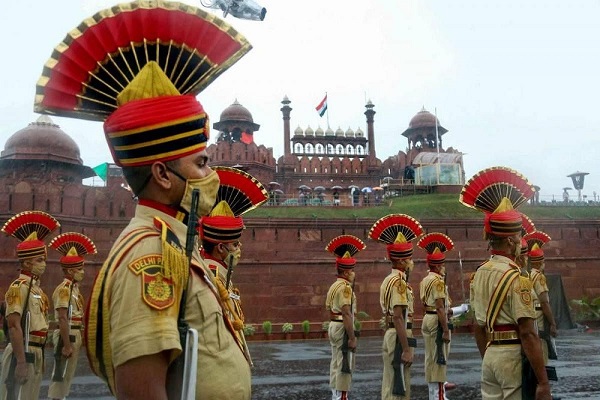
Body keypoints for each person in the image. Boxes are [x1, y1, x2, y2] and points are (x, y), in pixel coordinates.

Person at [35, 3, 254, 399]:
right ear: (161, 174)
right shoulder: (151, 257)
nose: (212, 176)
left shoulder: (175, 246)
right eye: (201, 163)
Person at [461, 166, 551, 400]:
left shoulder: (478, 273)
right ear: (511, 240)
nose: (522, 242)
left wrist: (490, 358)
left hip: (490, 355)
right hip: (512, 356)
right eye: (520, 238)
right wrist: (543, 382)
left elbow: (478, 326)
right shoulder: (518, 277)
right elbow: (528, 333)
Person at [198, 166, 268, 367]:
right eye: (235, 244)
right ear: (221, 248)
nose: (239, 248)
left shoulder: (217, 273)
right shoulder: (210, 276)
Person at [0, 211, 60, 400]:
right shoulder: (19, 288)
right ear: (26, 262)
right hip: (23, 352)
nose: (44, 264)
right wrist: (20, 362)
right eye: (39, 260)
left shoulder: (37, 290)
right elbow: (14, 325)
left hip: (36, 351)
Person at [369, 214, 424, 400]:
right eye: (409, 258)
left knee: (392, 382)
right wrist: (407, 349)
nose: (411, 263)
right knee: (399, 386)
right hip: (399, 335)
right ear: (401, 261)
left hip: (392, 334)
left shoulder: (388, 280)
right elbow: (399, 316)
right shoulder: (399, 283)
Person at [47, 233, 97, 400]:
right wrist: (66, 344)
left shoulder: (73, 289)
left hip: (74, 333)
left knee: (67, 374)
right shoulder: (64, 289)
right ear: (70, 270)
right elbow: (62, 318)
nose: (82, 272)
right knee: (60, 373)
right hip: (67, 334)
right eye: (79, 269)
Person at [325, 235, 366, 400]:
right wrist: (351, 337)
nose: (353, 274)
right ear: (346, 271)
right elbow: (347, 313)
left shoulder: (334, 286)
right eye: (352, 270)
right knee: (345, 365)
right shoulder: (345, 288)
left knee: (336, 363)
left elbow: (329, 309)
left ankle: (336, 396)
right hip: (342, 327)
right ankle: (342, 397)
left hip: (334, 325)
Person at [417, 232, 455, 400]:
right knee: (439, 357)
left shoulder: (425, 280)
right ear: (439, 266)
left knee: (430, 358)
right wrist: (446, 329)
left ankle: (434, 394)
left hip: (427, 318)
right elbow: (440, 307)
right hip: (437, 320)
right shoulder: (438, 281)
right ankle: (439, 395)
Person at [524, 232, 557, 364]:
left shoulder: (526, 274)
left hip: (529, 314)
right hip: (539, 317)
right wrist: (553, 323)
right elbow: (544, 302)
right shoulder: (539, 277)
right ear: (541, 263)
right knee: (541, 346)